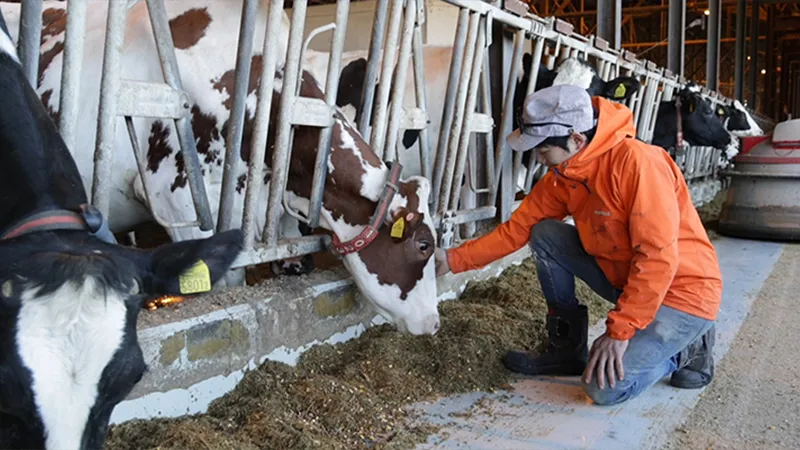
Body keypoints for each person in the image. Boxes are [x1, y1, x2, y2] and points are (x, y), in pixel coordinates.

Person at [434, 84, 722, 406]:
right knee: (545, 234)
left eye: (543, 151)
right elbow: (517, 230)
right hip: (627, 281)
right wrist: (452, 259)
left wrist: (619, 331)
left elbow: (657, 258)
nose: (540, 160)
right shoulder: (566, 174)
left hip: (682, 293)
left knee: (602, 389)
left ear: (576, 139)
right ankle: (567, 348)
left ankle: (686, 348)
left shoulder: (638, 163)